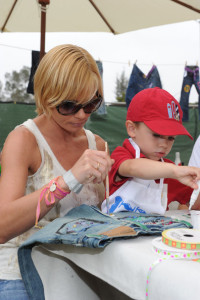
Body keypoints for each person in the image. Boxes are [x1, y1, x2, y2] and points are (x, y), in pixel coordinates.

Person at [0, 44, 113, 299]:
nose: (83, 114)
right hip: (20, 269)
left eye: (92, 103)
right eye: (70, 105)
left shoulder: (98, 145)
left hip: (81, 271)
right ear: (46, 95)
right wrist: (70, 179)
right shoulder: (24, 140)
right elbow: (3, 225)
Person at [101, 87, 200, 215]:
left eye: (171, 138)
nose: (164, 144)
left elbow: (194, 201)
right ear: (132, 129)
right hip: (116, 231)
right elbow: (132, 167)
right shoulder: (122, 155)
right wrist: (174, 170)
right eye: (157, 135)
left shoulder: (170, 170)